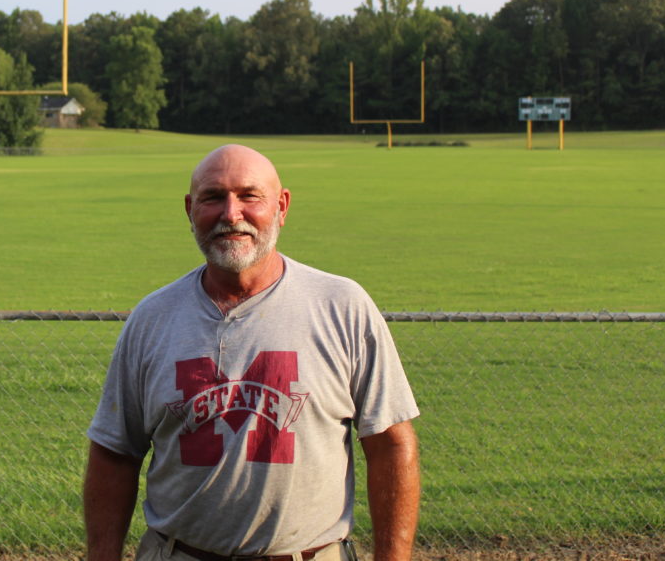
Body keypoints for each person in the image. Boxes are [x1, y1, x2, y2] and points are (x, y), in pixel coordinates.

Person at [84, 144, 420, 561]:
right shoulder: (152, 319)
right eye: (212, 197)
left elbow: (390, 444)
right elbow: (115, 453)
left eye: (249, 195)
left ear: (282, 206)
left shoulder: (341, 306)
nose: (230, 214)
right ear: (190, 209)